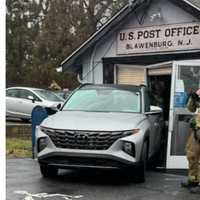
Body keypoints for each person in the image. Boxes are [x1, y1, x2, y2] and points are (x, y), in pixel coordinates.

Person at [181, 88, 200, 194]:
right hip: (197, 130)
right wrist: (193, 98)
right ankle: (193, 180)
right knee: (191, 154)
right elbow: (191, 109)